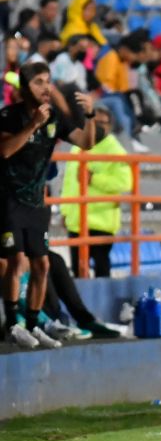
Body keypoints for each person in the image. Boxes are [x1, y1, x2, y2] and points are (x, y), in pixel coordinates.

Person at [0, 61, 95, 348]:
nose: (46, 88)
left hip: (37, 203)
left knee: (42, 263)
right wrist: (32, 125)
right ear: (25, 87)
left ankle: (32, 324)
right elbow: (4, 151)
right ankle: (14, 323)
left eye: (48, 81)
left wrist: (89, 115)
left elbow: (86, 142)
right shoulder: (8, 116)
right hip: (7, 200)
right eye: (39, 82)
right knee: (16, 261)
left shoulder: (54, 118)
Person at [60, 106, 132, 278]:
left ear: (110, 126)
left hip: (101, 221)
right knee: (78, 269)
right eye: (93, 121)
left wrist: (94, 179)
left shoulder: (116, 151)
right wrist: (65, 211)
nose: (97, 126)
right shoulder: (78, 147)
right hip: (77, 220)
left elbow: (125, 183)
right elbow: (69, 182)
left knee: (101, 267)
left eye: (102, 122)